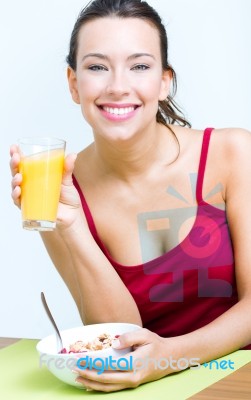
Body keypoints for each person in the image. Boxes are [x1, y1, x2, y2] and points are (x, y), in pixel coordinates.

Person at [10, 0, 251, 392]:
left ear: (164, 81)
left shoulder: (233, 154)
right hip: (140, 387)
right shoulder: (57, 188)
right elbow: (119, 334)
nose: (117, 86)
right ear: (74, 83)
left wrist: (169, 357)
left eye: (139, 66)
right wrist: (69, 225)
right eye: (96, 67)